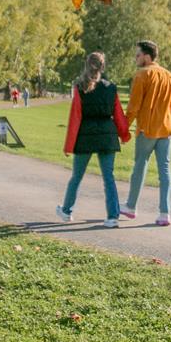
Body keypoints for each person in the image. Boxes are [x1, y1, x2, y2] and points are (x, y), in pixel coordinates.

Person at [57, 52, 130, 228]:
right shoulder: (111, 88)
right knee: (109, 178)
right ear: (102, 67)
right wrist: (125, 135)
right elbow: (119, 115)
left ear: (86, 65)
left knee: (77, 176)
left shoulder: (79, 88)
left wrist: (69, 145)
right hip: (107, 136)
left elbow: (75, 118)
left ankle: (66, 211)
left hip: (85, 137)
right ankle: (113, 217)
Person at [120, 40, 171, 226]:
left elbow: (133, 107)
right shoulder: (169, 76)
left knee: (139, 166)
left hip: (147, 130)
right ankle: (165, 213)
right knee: (165, 171)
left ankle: (130, 206)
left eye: (137, 55)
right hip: (166, 129)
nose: (135, 58)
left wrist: (123, 128)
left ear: (147, 56)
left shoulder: (142, 75)